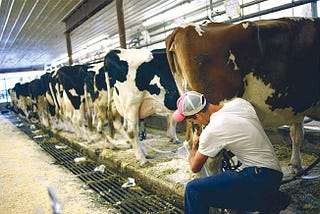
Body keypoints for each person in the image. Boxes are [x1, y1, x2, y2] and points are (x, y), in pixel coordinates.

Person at [173, 91, 291, 214]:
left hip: (258, 178)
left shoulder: (212, 130)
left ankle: (269, 200)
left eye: (192, 121)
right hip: (274, 175)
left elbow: (195, 167)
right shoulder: (240, 103)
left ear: (197, 115)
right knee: (229, 177)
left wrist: (195, 146)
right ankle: (271, 199)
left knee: (193, 190)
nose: (195, 124)